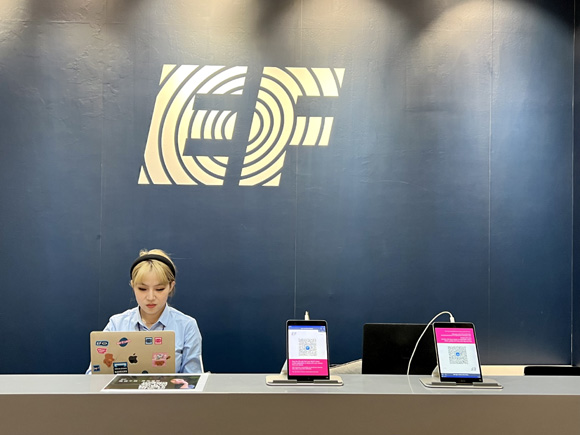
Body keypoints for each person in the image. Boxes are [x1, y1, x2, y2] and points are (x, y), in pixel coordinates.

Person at [87, 249, 203, 373]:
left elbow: (193, 379)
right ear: (133, 286)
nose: (151, 297)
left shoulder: (187, 326)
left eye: (159, 289)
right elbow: (93, 375)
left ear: (171, 286)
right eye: (142, 289)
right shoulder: (117, 324)